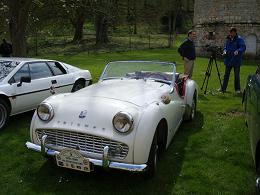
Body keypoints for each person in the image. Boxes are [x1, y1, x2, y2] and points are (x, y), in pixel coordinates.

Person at [220, 27, 246, 93]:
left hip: (236, 60)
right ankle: (223, 88)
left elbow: (243, 47)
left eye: (232, 33)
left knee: (236, 76)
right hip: (228, 60)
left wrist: (238, 50)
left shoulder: (239, 39)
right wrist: (225, 51)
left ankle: (237, 89)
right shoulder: (228, 39)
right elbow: (226, 47)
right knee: (226, 75)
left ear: (235, 32)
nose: (231, 34)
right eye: (230, 33)